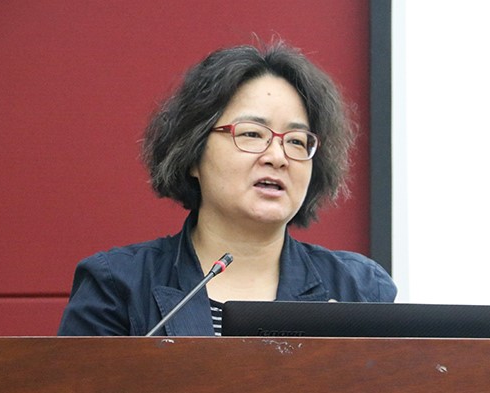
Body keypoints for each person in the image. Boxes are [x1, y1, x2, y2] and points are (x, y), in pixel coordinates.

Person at [57, 40, 397, 336]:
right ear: (193, 153)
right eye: (251, 134)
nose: (278, 157)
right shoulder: (117, 287)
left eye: (296, 141)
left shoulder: (358, 289)